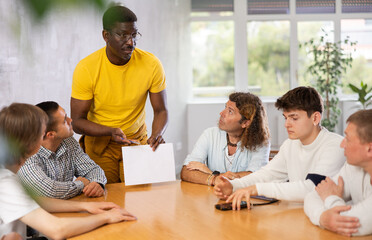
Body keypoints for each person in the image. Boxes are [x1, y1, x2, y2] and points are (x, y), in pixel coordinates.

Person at [0, 103, 136, 240]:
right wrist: (106, 217)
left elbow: (37, 200)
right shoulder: (5, 182)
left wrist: (84, 206)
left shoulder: (8, 170)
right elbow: (57, 230)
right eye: (42, 134)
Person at [70, 5, 168, 183]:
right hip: (100, 144)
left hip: (137, 142)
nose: (130, 42)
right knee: (108, 198)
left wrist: (157, 134)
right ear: (106, 36)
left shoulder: (151, 64)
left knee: (139, 200)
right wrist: (110, 131)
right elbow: (77, 122)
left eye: (133, 34)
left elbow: (161, 110)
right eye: (123, 35)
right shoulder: (86, 68)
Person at [214, 86, 346, 210]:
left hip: (332, 222)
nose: (286, 124)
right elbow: (267, 174)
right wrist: (233, 186)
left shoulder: (335, 145)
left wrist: (256, 189)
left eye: (294, 118)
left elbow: (312, 188)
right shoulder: (290, 144)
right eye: (285, 118)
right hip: (302, 216)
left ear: (315, 118)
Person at [18, 101, 107, 200]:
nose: (71, 120)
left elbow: (92, 169)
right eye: (65, 120)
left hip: (63, 210)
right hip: (32, 213)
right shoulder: (25, 154)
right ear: (50, 134)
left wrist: (97, 183)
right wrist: (81, 184)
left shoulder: (68, 142)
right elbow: (49, 191)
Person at [304, 109, 372, 237]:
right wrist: (322, 217)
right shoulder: (353, 166)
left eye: (348, 138)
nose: (342, 144)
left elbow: (351, 224)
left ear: (369, 149)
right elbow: (312, 196)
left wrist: (331, 198)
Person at [181, 92, 270, 186]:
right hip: (213, 197)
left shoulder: (261, 142)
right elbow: (186, 171)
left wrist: (211, 174)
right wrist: (215, 180)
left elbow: (256, 178)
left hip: (244, 198)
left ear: (245, 123)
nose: (222, 113)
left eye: (230, 111)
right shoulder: (209, 134)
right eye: (225, 107)